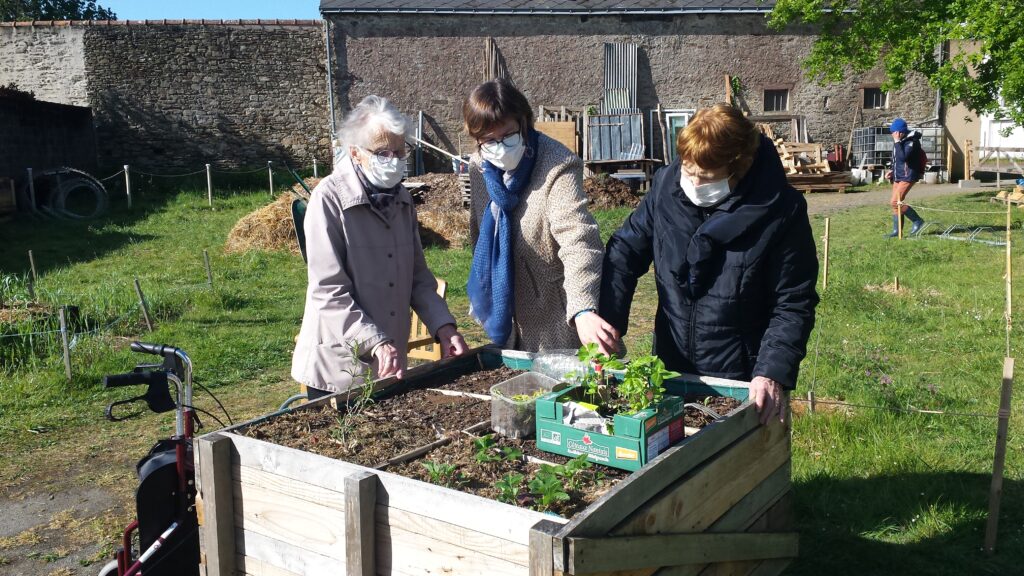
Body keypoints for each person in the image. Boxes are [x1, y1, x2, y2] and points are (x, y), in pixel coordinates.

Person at [600, 104, 819, 424]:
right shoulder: (666, 188)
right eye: (688, 171)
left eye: (705, 177)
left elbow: (793, 300)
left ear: (738, 168)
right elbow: (624, 252)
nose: (693, 183)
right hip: (672, 365)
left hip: (741, 378)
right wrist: (609, 321)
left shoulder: (781, 212)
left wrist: (771, 372)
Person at [292, 95, 467, 400]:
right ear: (355, 153)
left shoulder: (401, 200)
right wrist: (374, 341)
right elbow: (328, 291)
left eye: (399, 151)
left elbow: (418, 279)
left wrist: (444, 327)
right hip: (338, 369)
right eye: (382, 152)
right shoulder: (328, 200)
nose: (394, 159)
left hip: (388, 363)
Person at [464, 78, 619, 354]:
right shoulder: (479, 168)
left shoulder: (556, 164)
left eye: (508, 136)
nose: (499, 148)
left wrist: (583, 309)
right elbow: (479, 231)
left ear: (524, 123)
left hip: (555, 316)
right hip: (508, 318)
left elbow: (578, 239)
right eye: (489, 140)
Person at [884, 118, 926, 237]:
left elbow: (903, 157)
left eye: (894, 132)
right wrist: (892, 170)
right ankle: (897, 231)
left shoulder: (911, 142)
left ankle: (917, 221)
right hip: (898, 175)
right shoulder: (901, 140)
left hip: (908, 175)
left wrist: (897, 142)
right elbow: (897, 159)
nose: (892, 134)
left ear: (900, 132)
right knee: (896, 204)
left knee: (894, 202)